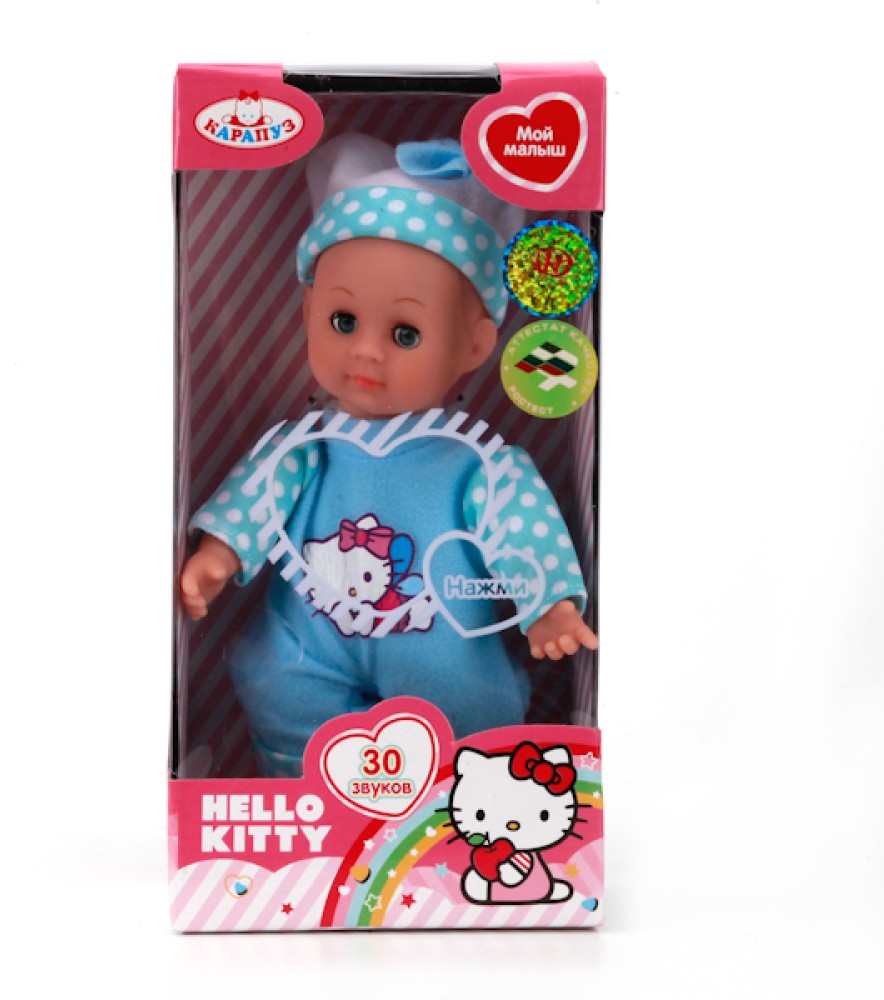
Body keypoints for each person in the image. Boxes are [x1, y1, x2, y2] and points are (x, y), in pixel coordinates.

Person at [180, 134, 598, 776]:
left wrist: (548, 604)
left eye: (406, 334)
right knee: (280, 687)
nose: (367, 351)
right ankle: (305, 790)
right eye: (343, 322)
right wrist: (220, 552)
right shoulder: (305, 446)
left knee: (467, 717)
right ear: (309, 309)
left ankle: (462, 796)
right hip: (306, 637)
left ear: (475, 344)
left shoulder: (475, 461)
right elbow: (260, 490)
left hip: (440, 644)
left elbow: (519, 525)